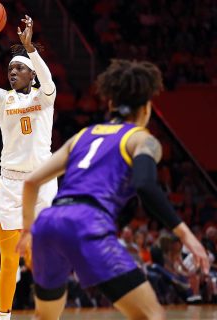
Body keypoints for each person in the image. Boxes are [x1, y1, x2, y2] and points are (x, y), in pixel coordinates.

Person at [17, 59, 210, 320]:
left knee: (45, 317)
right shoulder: (142, 139)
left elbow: (31, 182)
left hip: (48, 223)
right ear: (147, 108)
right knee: (152, 316)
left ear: (110, 104)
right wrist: (186, 235)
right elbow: (145, 185)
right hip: (87, 222)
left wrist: (28, 230)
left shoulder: (82, 136)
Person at [0, 15, 57, 320]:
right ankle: (4, 318)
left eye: (19, 68)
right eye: (9, 69)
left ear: (32, 73)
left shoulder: (46, 97)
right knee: (9, 259)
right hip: (11, 185)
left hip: (42, 185)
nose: (12, 72)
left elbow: (48, 79)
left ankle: (48, 314)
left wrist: (31, 49)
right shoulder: (3, 99)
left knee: (44, 256)